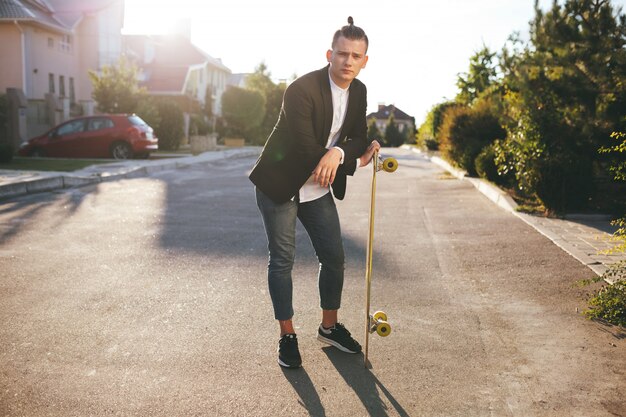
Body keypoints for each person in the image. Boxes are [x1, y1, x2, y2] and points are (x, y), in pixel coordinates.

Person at [249, 16, 380, 368]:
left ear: (364, 60)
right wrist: (350, 157)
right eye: (342, 54)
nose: (348, 61)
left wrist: (341, 152)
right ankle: (287, 335)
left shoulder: (360, 91)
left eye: (356, 56)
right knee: (282, 261)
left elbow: (357, 137)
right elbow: (308, 149)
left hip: (317, 187)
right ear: (329, 54)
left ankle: (329, 326)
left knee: (334, 257)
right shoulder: (301, 90)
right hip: (281, 184)